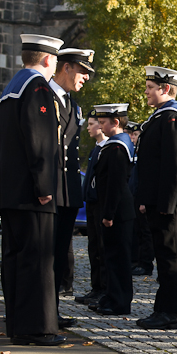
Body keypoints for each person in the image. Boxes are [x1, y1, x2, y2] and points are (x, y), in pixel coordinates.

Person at [0, 34, 64, 345]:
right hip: (33, 194)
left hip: (10, 193)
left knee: (15, 260)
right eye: (55, 60)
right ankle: (39, 328)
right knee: (39, 260)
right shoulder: (37, 87)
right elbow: (40, 141)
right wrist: (44, 185)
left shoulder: (8, 92)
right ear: (47, 60)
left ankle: (18, 325)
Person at [134, 66, 177, 329]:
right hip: (162, 200)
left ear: (166, 89)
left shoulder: (172, 119)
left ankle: (170, 314)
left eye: (150, 88)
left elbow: (174, 166)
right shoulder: (161, 117)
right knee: (164, 256)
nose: (146, 92)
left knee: (171, 258)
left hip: (174, 201)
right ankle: (163, 308)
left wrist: (166, 204)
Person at [50, 48, 93, 325]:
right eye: (82, 71)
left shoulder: (72, 105)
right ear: (66, 67)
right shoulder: (44, 98)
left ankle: (50, 311)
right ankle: (42, 312)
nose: (86, 78)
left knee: (58, 258)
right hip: (50, 191)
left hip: (66, 193)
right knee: (45, 256)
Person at [88, 103, 135, 316]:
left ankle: (120, 301)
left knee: (118, 258)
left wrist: (108, 214)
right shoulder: (114, 144)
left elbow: (115, 184)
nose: (100, 125)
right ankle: (111, 295)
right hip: (114, 208)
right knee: (111, 256)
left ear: (116, 122)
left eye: (103, 122)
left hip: (118, 211)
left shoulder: (117, 147)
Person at [75, 111, 107, 306]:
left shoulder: (108, 148)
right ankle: (96, 287)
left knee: (102, 249)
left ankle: (103, 288)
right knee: (93, 248)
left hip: (100, 204)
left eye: (92, 123)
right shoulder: (96, 148)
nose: (88, 127)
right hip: (92, 204)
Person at [127, 121, 155, 277]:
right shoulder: (134, 151)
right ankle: (137, 261)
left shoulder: (146, 151)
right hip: (134, 197)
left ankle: (146, 264)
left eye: (136, 134)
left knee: (146, 233)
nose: (133, 137)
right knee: (136, 231)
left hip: (142, 197)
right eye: (132, 134)